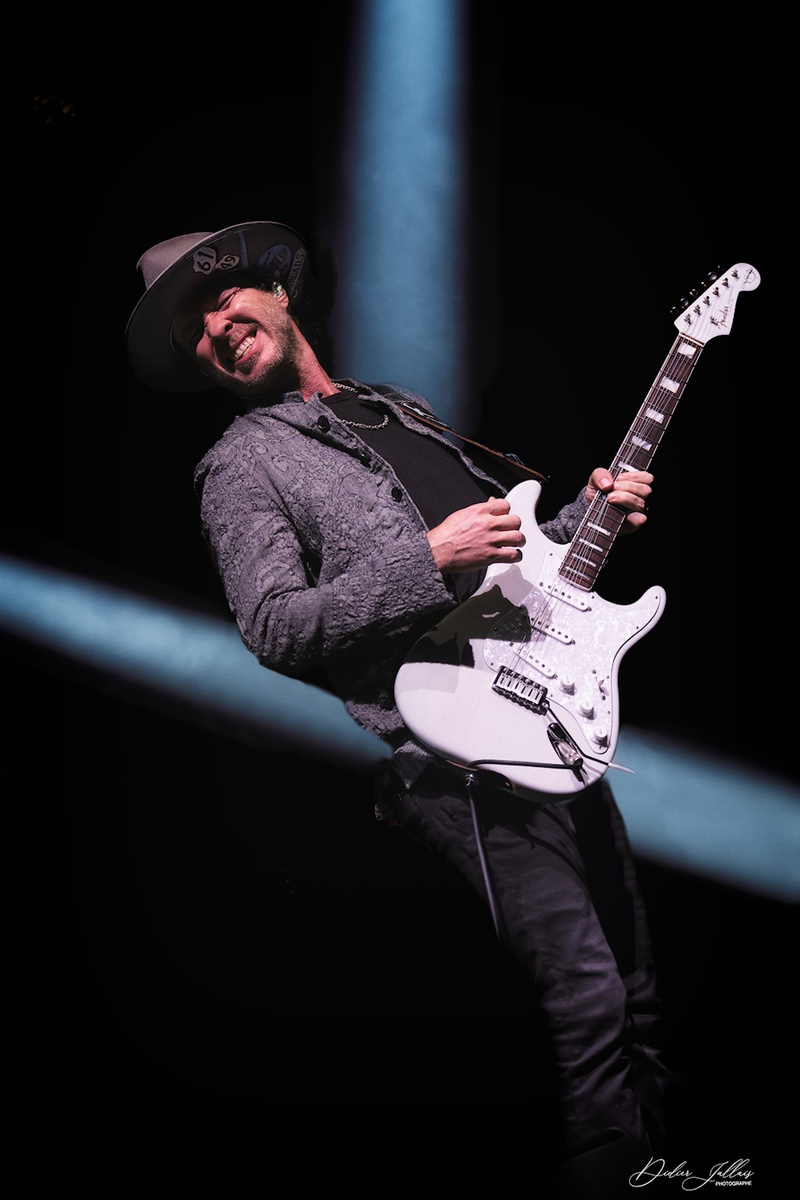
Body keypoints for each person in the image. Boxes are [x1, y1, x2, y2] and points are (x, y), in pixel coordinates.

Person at [126, 220, 669, 1194]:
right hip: (454, 753)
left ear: (278, 292)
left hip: (554, 718)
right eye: (191, 334)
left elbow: (509, 557)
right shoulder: (243, 465)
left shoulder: (395, 410)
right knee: (581, 1001)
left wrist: (586, 514)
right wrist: (426, 557)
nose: (213, 328)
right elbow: (275, 626)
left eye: (219, 298)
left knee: (635, 999)